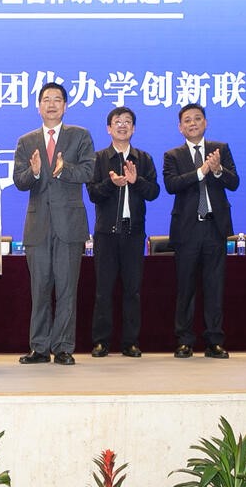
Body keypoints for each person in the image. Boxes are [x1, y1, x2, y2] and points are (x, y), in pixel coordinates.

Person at [13, 82, 96, 365]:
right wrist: (35, 172)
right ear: (38, 106)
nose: (51, 104)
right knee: (40, 289)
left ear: (65, 106)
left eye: (57, 99)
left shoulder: (80, 136)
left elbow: (89, 171)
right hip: (38, 226)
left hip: (69, 225)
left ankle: (63, 347)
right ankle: (38, 347)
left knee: (66, 289)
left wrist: (65, 169)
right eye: (46, 99)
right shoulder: (26, 141)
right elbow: (19, 180)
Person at [162, 102, 240, 359]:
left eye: (197, 118)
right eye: (187, 120)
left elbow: (234, 182)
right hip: (187, 230)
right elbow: (172, 185)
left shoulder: (221, 149)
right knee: (186, 288)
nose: (192, 123)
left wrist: (217, 170)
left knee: (214, 287)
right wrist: (201, 172)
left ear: (205, 123)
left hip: (214, 228)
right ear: (180, 127)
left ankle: (214, 341)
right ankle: (184, 341)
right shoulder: (173, 155)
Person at [86, 107, 160, 358]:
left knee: (132, 290)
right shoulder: (98, 158)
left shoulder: (144, 158)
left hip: (134, 232)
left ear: (134, 129)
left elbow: (154, 192)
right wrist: (111, 183)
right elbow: (93, 193)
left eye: (128, 121)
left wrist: (136, 181)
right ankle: (101, 342)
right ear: (109, 128)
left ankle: (130, 342)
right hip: (106, 234)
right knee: (103, 290)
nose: (122, 125)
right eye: (117, 121)